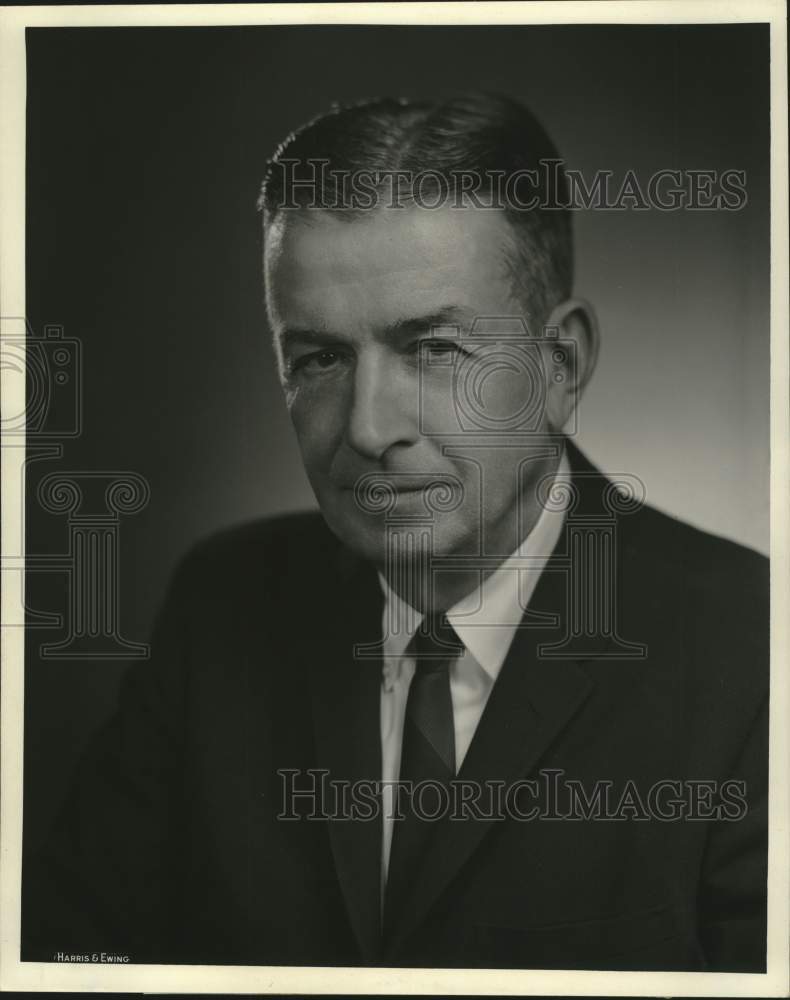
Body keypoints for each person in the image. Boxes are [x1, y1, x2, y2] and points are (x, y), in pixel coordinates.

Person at [22, 94, 768, 971]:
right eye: (320, 359)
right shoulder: (218, 608)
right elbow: (67, 963)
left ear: (559, 365)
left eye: (434, 350)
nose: (370, 429)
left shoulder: (751, 652)